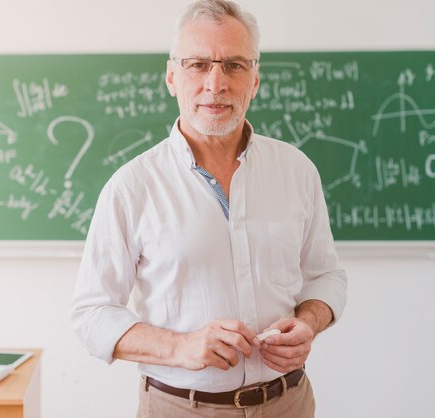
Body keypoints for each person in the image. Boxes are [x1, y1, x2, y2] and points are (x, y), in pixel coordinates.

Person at [71, 1, 347, 416]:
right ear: (171, 77)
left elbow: (326, 276)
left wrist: (309, 322)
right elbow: (92, 314)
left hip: (289, 402)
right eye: (198, 64)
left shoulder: (297, 170)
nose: (215, 83)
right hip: (181, 407)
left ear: (254, 80)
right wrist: (180, 346)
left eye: (234, 65)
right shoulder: (132, 187)